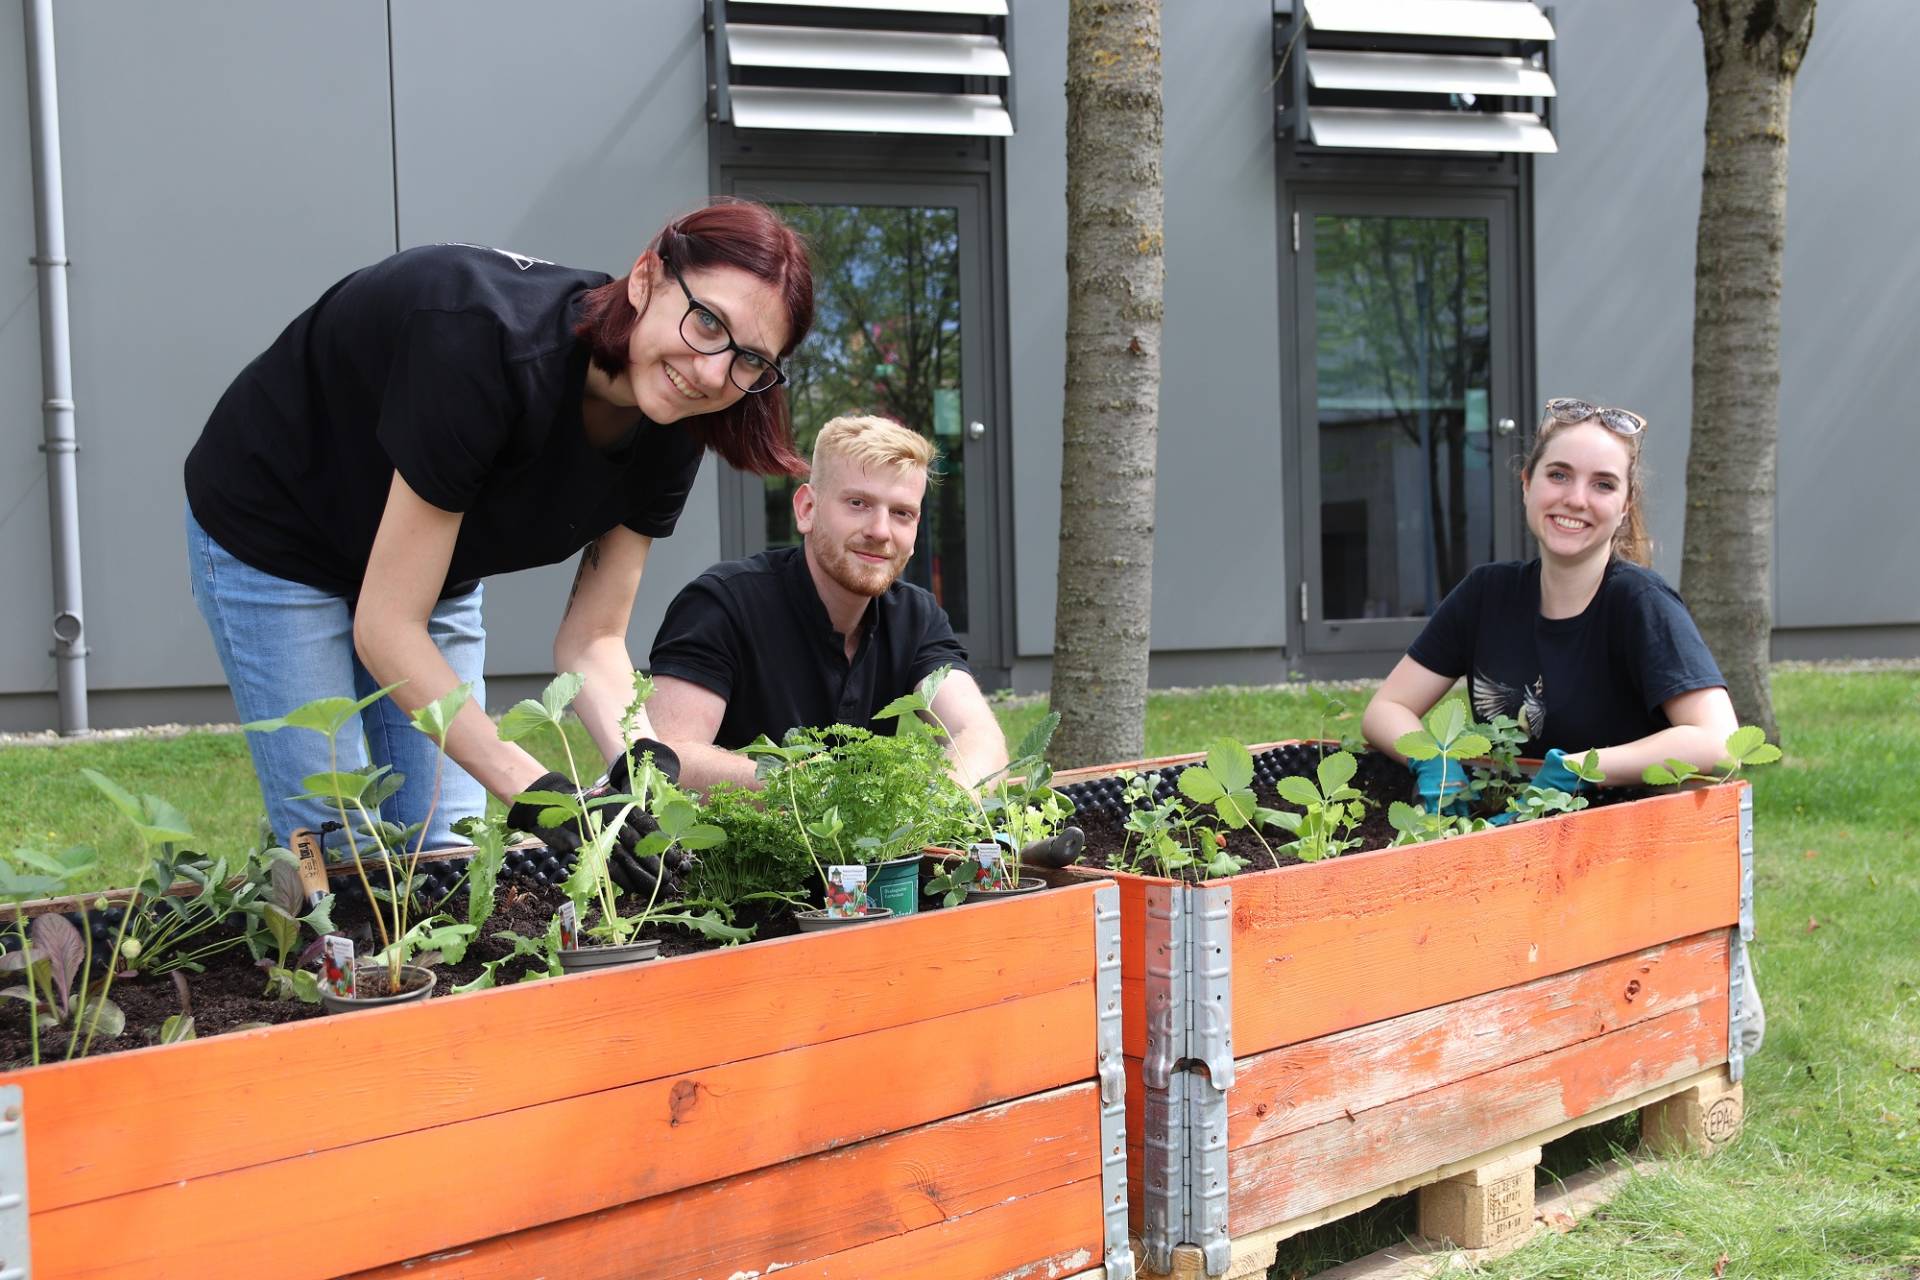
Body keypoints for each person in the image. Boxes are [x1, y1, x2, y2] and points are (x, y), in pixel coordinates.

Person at [183, 199, 815, 883]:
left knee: (448, 846)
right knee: (337, 850)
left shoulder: (676, 423)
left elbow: (594, 637)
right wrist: (540, 796)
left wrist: (642, 761)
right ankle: (299, 898)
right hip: (279, 529)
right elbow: (387, 627)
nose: (714, 374)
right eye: (708, 322)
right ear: (646, 277)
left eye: (750, 359)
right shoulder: (483, 345)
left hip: (429, 571)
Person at [1361, 396, 1762, 1051]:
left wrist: (1582, 768)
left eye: (1602, 484)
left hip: (1629, 871)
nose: (1576, 499)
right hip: (1514, 860)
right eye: (1559, 475)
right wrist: (1434, 758)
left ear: (1624, 506)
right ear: (1526, 484)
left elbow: (1717, 739)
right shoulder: (1488, 595)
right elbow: (1385, 709)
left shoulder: (1639, 604)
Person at [646, 414, 1008, 791]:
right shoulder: (722, 604)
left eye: (902, 513)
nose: (880, 531)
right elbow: (666, 757)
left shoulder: (915, 618)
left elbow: (978, 734)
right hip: (725, 830)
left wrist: (941, 800)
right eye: (858, 503)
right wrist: (809, 791)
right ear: (807, 509)